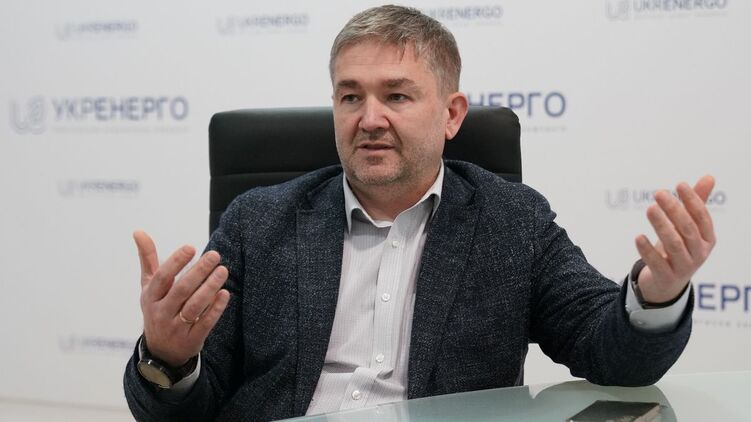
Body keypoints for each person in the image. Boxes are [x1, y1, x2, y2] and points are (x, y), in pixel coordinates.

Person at [123, 5, 716, 421]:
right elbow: (181, 409)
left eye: (396, 96)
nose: (369, 118)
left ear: (452, 114)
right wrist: (168, 356)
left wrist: (656, 295)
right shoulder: (259, 222)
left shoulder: (512, 221)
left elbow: (608, 352)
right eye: (350, 96)